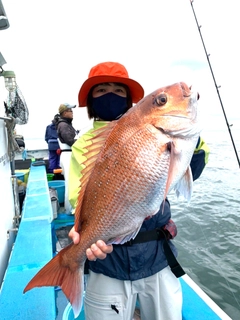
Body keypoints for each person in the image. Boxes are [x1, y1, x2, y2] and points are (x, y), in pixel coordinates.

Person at [68, 62, 210, 320]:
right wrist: (82, 234)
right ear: (90, 101)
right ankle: (70, 265)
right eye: (101, 90)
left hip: (157, 255)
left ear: (130, 99)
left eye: (117, 90)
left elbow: (193, 168)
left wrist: (192, 145)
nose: (110, 95)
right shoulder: (84, 144)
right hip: (107, 262)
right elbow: (77, 198)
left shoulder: (170, 133)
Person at [56, 103, 79, 213]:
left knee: (71, 182)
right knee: (71, 182)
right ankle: (70, 209)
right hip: (68, 156)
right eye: (70, 110)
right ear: (65, 112)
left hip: (68, 155)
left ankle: (69, 207)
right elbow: (70, 141)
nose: (72, 112)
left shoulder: (65, 124)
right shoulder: (64, 125)